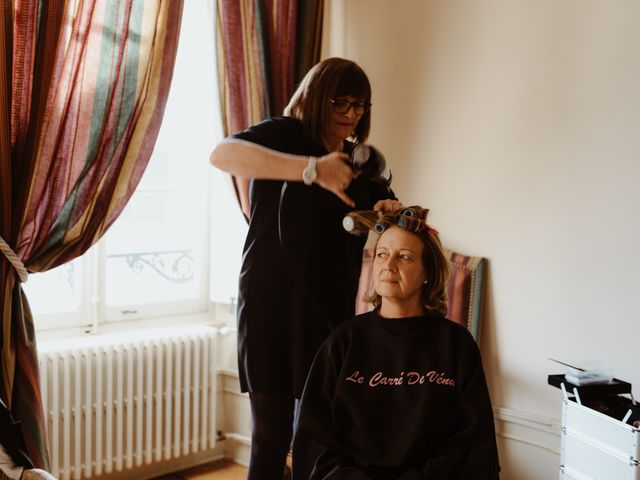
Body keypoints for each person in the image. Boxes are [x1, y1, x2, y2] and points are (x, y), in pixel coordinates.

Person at [209, 57, 402, 479]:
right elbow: (222, 155)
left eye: (360, 106)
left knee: (318, 439)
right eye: (341, 104)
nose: (351, 115)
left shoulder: (361, 161)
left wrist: (386, 212)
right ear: (317, 98)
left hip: (329, 313)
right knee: (270, 439)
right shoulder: (284, 134)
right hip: (269, 307)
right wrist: (311, 170)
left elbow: (379, 212)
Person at [292, 207, 501, 479]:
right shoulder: (342, 343)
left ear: (427, 272)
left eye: (404, 257)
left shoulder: (456, 345)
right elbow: (315, 439)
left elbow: (471, 443)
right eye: (382, 254)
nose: (388, 265)